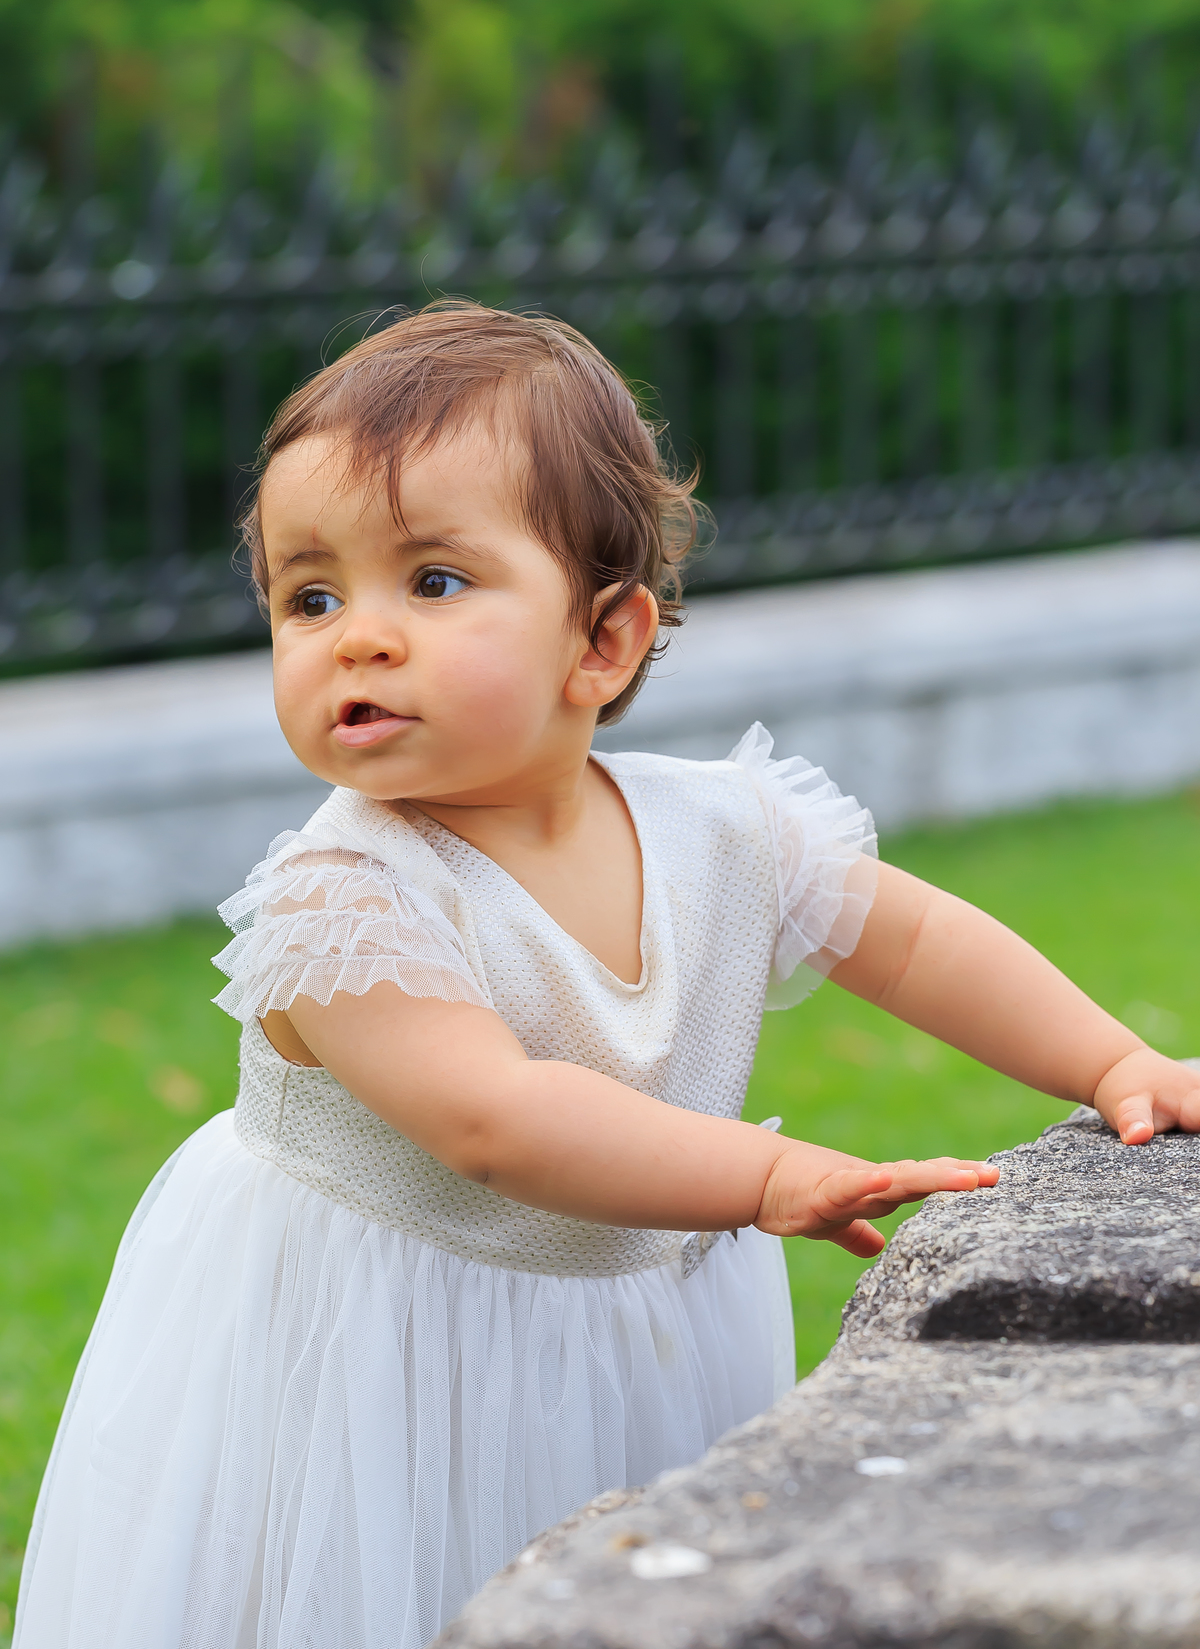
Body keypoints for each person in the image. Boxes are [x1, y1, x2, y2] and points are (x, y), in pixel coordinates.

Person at [16, 303, 1200, 1649]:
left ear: (605, 644)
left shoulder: (724, 829)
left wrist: (1114, 1062)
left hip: (633, 1326)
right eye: (311, 595)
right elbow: (493, 1124)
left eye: (435, 582)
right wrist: (761, 1177)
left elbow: (915, 940)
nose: (359, 634)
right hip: (385, 1362)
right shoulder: (337, 903)